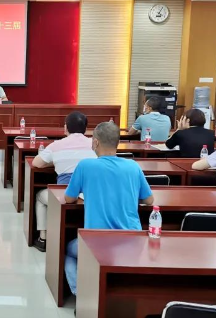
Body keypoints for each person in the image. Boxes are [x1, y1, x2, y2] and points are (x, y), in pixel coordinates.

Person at [63, 122, 154, 296]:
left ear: (95, 142)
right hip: (132, 239)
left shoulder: (85, 166)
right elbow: (149, 200)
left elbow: (69, 198)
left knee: (68, 250)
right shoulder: (133, 166)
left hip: (97, 241)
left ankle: (80, 294)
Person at [31, 112, 96, 253]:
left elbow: (37, 163)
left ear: (66, 127)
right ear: (86, 128)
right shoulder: (95, 144)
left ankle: (43, 239)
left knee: (39, 197)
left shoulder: (56, 145)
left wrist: (55, 161)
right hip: (91, 195)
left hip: (65, 196)